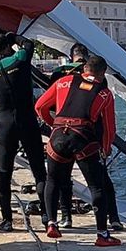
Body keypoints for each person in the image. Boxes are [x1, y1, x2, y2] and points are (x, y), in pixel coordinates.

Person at [34, 55, 121, 246]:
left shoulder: (63, 82)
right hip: (83, 141)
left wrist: (52, 126)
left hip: (58, 137)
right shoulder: (105, 94)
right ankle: (102, 235)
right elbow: (108, 128)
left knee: (52, 180)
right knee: (97, 187)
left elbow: (40, 106)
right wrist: (105, 149)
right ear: (102, 73)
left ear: (84, 69)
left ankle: (51, 223)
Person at [0, 32, 47, 231]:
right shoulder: (17, 61)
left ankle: (7, 219)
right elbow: (28, 45)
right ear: (8, 47)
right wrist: (14, 37)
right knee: (38, 170)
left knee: (4, 172)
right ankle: (46, 216)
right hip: (26, 119)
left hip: (5, 121)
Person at [49, 43, 89, 226]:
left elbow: (44, 104)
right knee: (97, 180)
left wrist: (53, 123)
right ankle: (107, 224)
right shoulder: (91, 75)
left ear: (71, 56)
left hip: (61, 129)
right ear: (86, 57)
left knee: (59, 177)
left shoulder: (59, 74)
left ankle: (62, 217)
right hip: (85, 131)